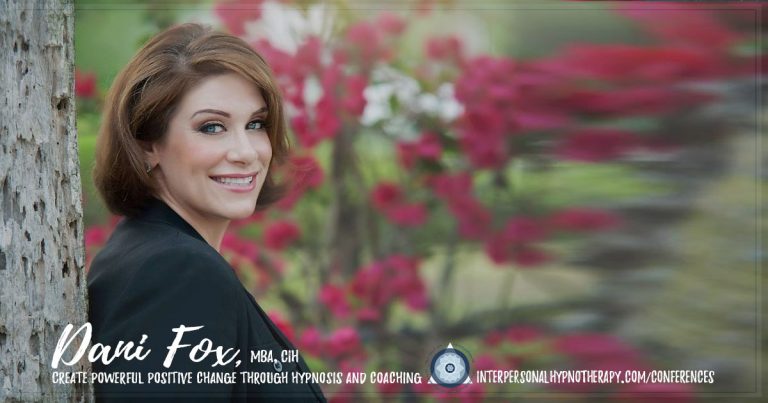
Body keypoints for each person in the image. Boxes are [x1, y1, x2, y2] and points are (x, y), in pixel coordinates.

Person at [88, 23, 326, 402]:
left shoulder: (144, 253)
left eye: (256, 124)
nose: (246, 152)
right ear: (148, 145)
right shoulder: (178, 273)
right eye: (212, 127)